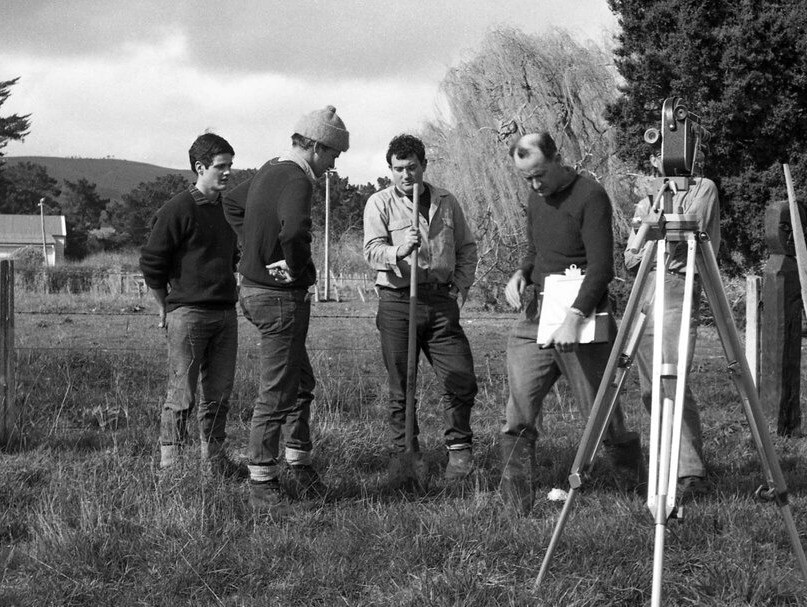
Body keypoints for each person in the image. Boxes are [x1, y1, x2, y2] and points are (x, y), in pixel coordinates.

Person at [500, 132, 644, 515]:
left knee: (600, 412)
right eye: (526, 178)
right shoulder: (535, 198)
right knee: (518, 411)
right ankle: (516, 505)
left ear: (558, 158)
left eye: (540, 175)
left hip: (582, 317)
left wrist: (573, 319)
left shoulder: (590, 196)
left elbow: (602, 269)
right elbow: (536, 251)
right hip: (535, 317)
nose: (535, 185)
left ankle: (633, 493)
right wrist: (521, 272)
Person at [223, 106, 349, 518]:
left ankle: (298, 462)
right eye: (332, 153)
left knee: (299, 380)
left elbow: (231, 203)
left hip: (254, 291)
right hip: (279, 297)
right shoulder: (297, 178)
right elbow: (295, 230)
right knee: (278, 389)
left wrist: (254, 249)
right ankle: (261, 479)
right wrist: (295, 266)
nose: (334, 163)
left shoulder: (269, 169)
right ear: (313, 145)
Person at [363, 134, 479, 488]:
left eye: (412, 167)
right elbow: (371, 251)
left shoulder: (446, 201)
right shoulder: (379, 203)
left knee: (460, 377)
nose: (405, 175)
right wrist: (399, 250)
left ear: (424, 166)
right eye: (398, 169)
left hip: (440, 300)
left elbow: (467, 248)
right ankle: (407, 460)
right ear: (390, 170)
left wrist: (459, 288)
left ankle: (459, 452)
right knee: (403, 386)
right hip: (399, 302)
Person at [139, 133, 246, 480]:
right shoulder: (176, 209)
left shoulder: (228, 211)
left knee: (218, 395)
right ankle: (171, 469)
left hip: (225, 316)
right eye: (221, 166)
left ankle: (214, 461)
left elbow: (231, 259)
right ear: (200, 168)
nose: (228, 172)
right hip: (187, 316)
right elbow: (152, 263)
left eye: (231, 165)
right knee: (181, 395)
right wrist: (163, 307)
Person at [625, 152, 721, 498]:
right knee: (650, 386)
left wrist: (655, 225)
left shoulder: (703, 188)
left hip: (678, 285)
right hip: (646, 289)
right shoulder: (644, 202)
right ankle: (665, 463)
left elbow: (688, 231)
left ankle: (690, 472)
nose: (659, 158)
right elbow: (631, 257)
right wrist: (652, 225)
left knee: (672, 379)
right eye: (653, 153)